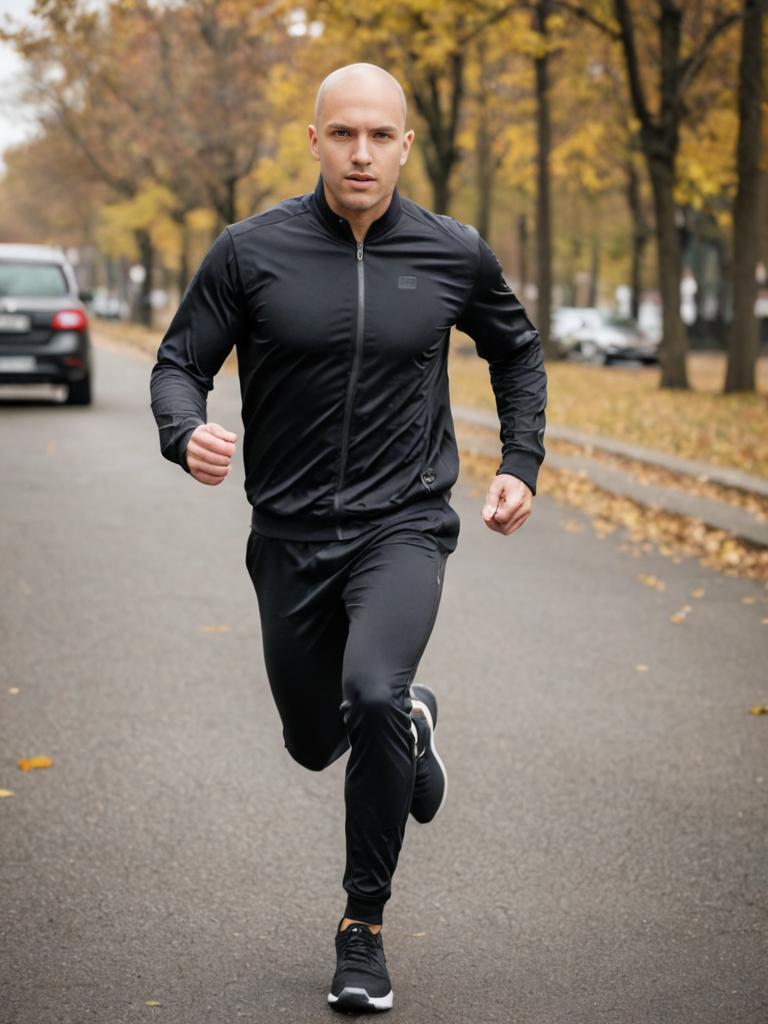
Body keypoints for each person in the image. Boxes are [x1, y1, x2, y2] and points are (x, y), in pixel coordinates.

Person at [150, 62, 546, 1013]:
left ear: (405, 144)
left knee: (372, 689)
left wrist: (519, 462)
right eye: (343, 134)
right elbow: (178, 363)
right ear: (316, 139)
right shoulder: (251, 252)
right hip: (287, 533)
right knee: (311, 738)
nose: (361, 153)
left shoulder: (454, 252)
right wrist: (183, 431)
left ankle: (361, 928)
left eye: (379, 135)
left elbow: (516, 350)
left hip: (403, 525)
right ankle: (409, 729)